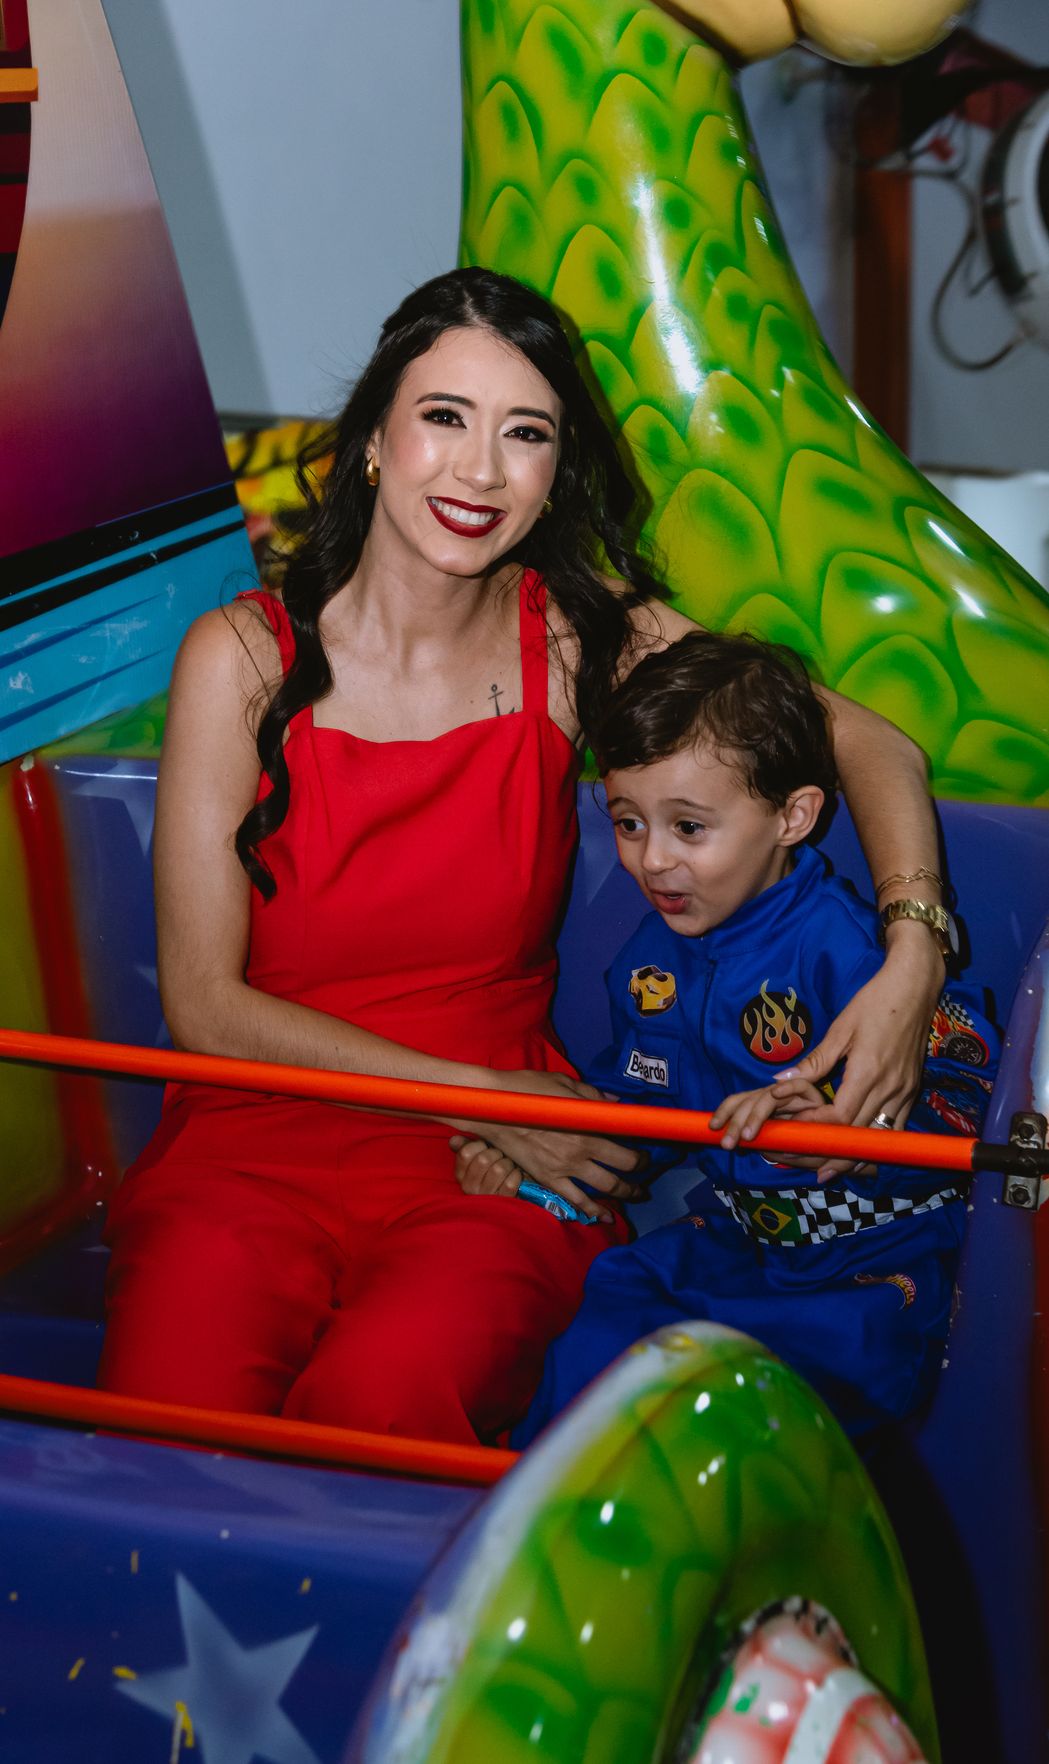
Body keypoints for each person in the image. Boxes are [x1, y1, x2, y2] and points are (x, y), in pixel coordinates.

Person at [95, 266, 951, 1447]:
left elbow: (874, 743)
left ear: (555, 475)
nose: (482, 471)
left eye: (526, 435)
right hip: (269, 1138)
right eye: (444, 417)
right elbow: (203, 1005)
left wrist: (911, 959)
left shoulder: (574, 633)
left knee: (383, 1406)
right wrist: (496, 1102)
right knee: (166, 1415)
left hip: (493, 1170)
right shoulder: (242, 657)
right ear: (375, 444)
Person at [455, 634, 996, 1443]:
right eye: (630, 823)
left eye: (689, 828)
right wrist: (537, 1165)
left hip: (869, 1273)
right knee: (610, 1314)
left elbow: (971, 1094)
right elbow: (640, 1122)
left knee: (781, 1413)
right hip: (738, 1247)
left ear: (794, 816)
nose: (653, 860)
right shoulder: (650, 963)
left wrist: (863, 1131)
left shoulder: (847, 952)